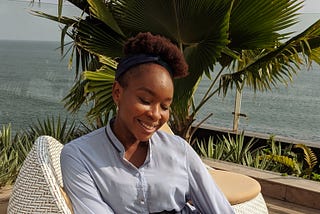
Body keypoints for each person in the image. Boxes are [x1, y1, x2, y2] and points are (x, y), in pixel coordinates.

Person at [61, 32, 235, 214]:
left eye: (165, 106)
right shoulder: (80, 156)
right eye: (145, 100)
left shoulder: (180, 151)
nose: (156, 115)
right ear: (117, 92)